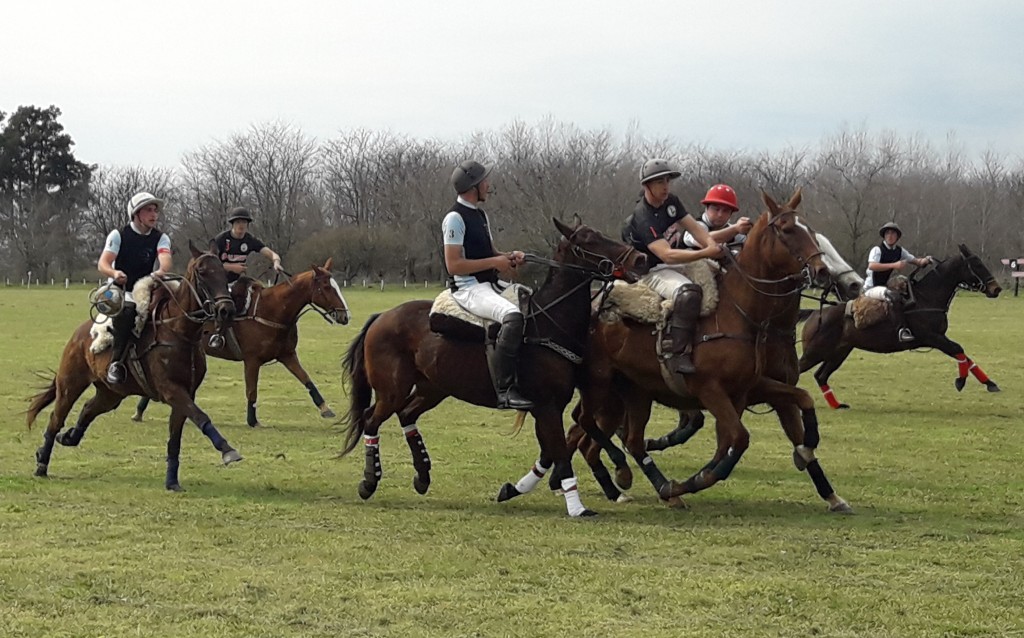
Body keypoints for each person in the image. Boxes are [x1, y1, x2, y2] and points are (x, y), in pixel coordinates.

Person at [442, 160, 533, 410]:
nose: (488, 185)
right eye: (485, 181)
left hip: (490, 283)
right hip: (468, 288)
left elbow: (490, 252)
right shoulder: (454, 218)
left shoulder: (480, 214)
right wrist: (495, 261)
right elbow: (454, 265)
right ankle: (504, 390)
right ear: (474, 186)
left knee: (534, 304)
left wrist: (509, 256)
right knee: (513, 316)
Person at [621, 159, 723, 374]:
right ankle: (676, 352)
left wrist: (711, 244)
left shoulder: (672, 202)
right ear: (646, 186)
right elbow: (666, 255)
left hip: (674, 264)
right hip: (649, 271)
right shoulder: (642, 216)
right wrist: (705, 252)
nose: (665, 186)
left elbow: (695, 228)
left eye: (667, 180)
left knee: (719, 277)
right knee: (688, 294)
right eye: (659, 182)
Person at [97, 192, 173, 384]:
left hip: (145, 288)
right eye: (149, 210)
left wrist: (161, 271)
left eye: (155, 210)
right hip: (122, 292)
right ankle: (116, 363)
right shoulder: (119, 235)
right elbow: (103, 264)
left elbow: (165, 261)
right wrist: (115, 274)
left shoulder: (161, 237)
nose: (154, 214)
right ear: (136, 213)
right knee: (128, 313)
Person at [863, 221, 933, 342]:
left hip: (883, 286)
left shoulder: (900, 251)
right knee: (893, 296)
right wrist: (894, 265)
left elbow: (916, 261)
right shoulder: (877, 250)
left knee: (906, 284)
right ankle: (901, 330)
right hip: (871, 288)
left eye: (893, 233)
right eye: (888, 233)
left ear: (897, 237)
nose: (890, 236)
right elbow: (872, 266)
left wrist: (925, 260)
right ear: (884, 236)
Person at [210, 206, 284, 289]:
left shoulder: (250, 240)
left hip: (237, 282)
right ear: (232, 224)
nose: (241, 225)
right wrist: (231, 267)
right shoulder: (221, 239)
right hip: (217, 281)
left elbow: (271, 254)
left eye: (244, 222)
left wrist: (276, 262)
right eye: (238, 222)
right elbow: (209, 264)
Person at [676, 183, 752, 250]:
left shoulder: (735, 232)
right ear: (706, 208)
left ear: (731, 214)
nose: (720, 214)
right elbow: (703, 240)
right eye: (716, 209)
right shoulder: (694, 227)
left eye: (725, 211)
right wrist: (735, 229)